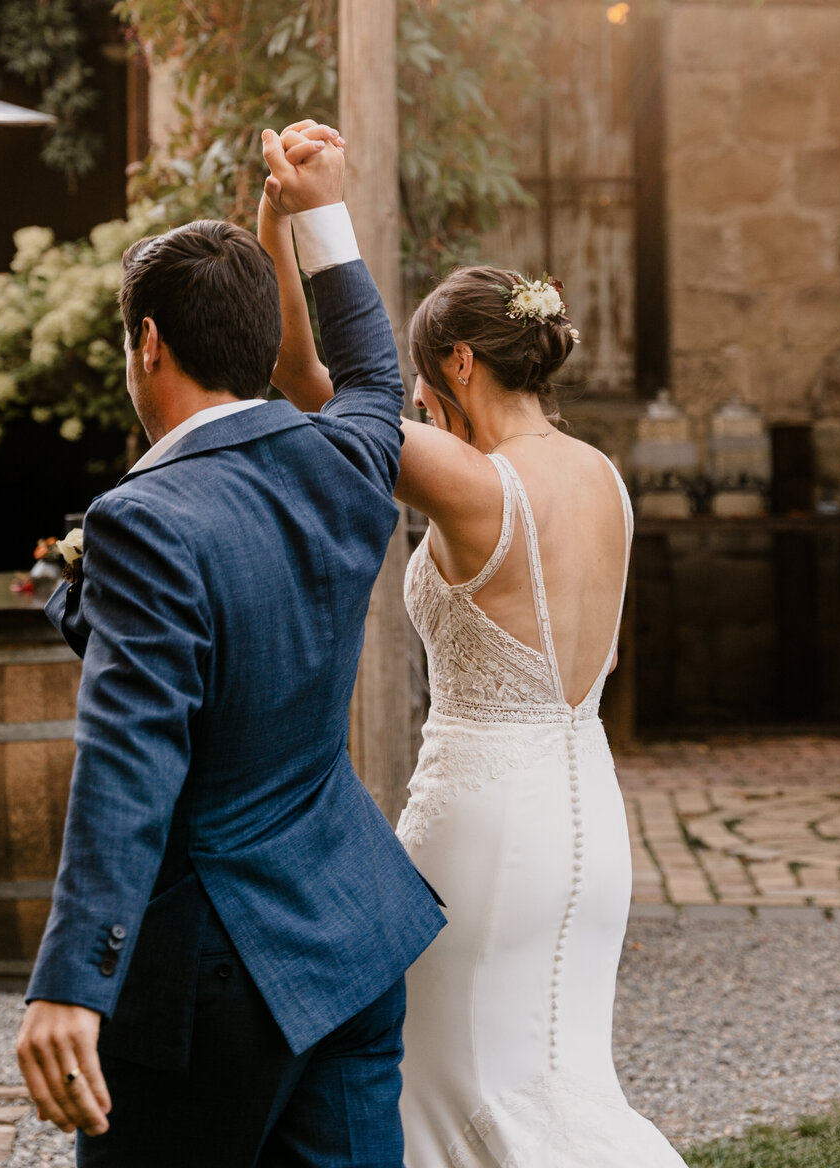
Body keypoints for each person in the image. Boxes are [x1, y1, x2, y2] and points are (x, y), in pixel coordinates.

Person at [16, 121, 444, 1168]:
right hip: (351, 935)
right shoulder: (346, 459)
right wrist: (319, 212)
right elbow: (373, 375)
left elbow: (132, 759)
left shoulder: (142, 521)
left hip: (216, 979)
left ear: (148, 343)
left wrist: (74, 979)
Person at [261, 147, 686, 1168]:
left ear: (458, 364)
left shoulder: (476, 484)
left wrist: (298, 222)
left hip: (488, 828)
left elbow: (306, 380)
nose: (409, 403)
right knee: (554, 1084)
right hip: (588, 817)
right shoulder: (604, 477)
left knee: (457, 1093)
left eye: (419, 380)